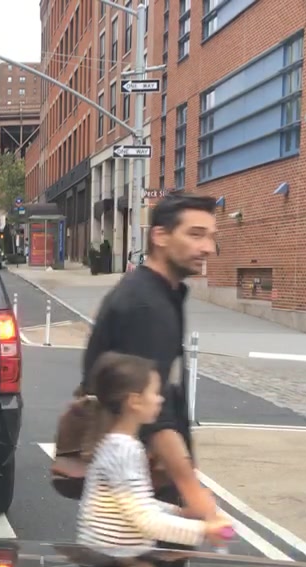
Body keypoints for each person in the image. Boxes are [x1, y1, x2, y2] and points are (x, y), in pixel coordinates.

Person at [81, 193, 219, 530]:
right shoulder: (147, 306)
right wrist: (193, 492)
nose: (208, 248)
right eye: (195, 234)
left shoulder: (156, 294)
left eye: (211, 237)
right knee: (142, 559)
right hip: (141, 480)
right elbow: (153, 410)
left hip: (138, 479)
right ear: (160, 236)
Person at [77, 351, 232, 550]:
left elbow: (134, 504)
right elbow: (145, 520)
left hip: (111, 555)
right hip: (115, 559)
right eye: (155, 393)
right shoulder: (123, 450)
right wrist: (205, 530)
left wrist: (179, 512)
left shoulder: (117, 444)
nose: (160, 400)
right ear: (135, 401)